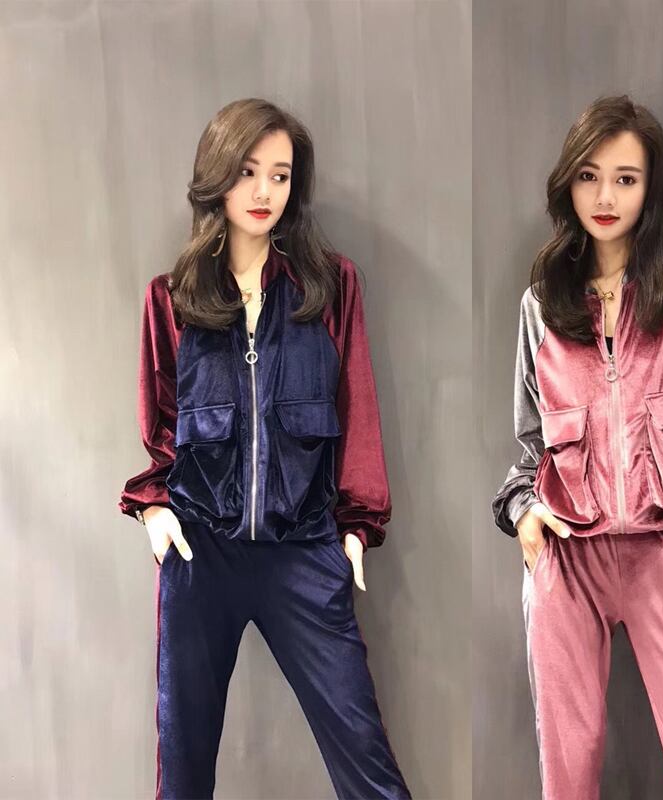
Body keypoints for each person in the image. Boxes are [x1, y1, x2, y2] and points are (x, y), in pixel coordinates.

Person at [119, 98, 411, 800]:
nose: (263, 191)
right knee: (183, 771)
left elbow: (357, 412)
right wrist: (155, 512)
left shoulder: (330, 287)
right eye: (247, 171)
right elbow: (163, 428)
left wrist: (354, 528)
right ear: (217, 175)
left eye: (280, 175)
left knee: (368, 765)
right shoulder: (172, 298)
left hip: (303, 549)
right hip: (201, 552)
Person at [491, 95, 663, 800]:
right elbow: (531, 443)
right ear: (568, 184)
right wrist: (522, 510)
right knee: (567, 773)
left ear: (651, 187)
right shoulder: (543, 303)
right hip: (567, 560)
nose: (605, 197)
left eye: (625, 179)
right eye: (589, 176)